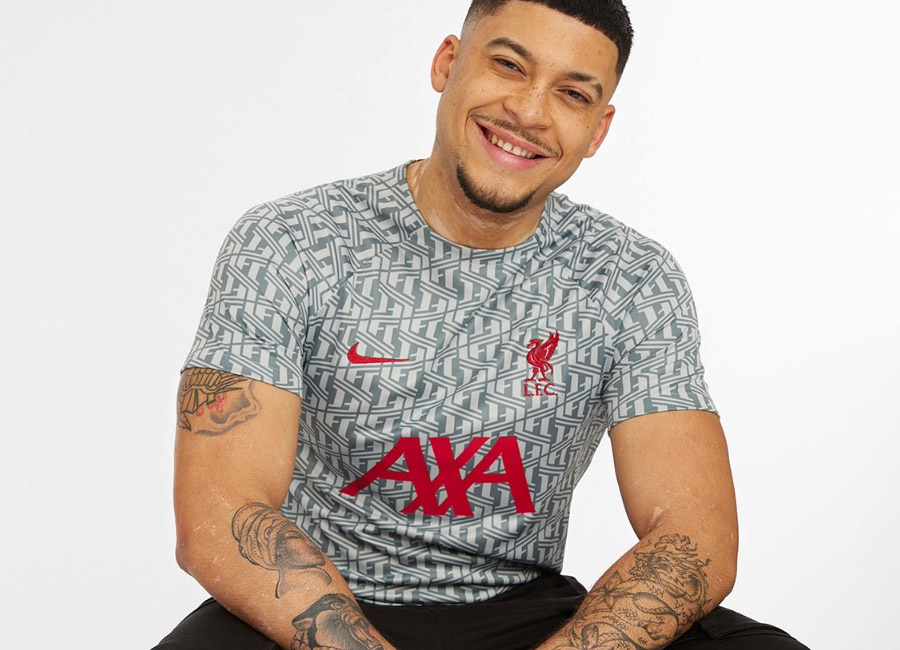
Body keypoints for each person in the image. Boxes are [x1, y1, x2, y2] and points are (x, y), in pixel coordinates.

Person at [155, 2, 810, 649]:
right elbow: (222, 509)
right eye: (508, 65)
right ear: (448, 63)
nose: (529, 111)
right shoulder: (291, 242)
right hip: (319, 607)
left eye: (573, 94)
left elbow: (695, 537)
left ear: (598, 129)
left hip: (530, 616)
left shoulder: (629, 277)